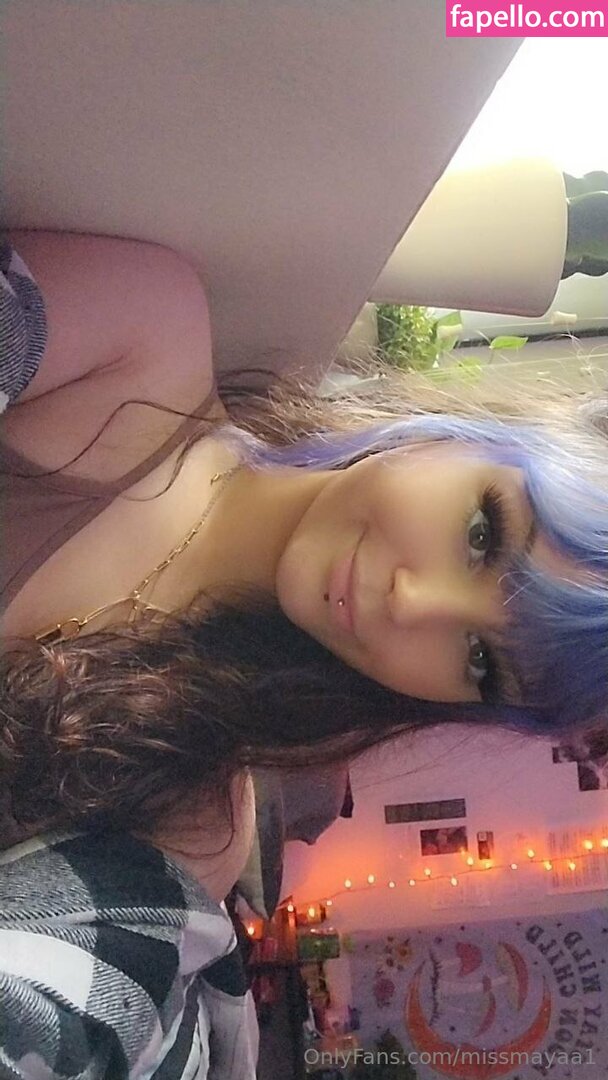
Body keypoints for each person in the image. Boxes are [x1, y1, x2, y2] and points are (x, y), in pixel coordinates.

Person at [1, 229, 608, 1076]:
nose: (412, 604)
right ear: (468, 435)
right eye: (482, 533)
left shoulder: (186, 820)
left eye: (480, 661)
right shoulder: (139, 342)